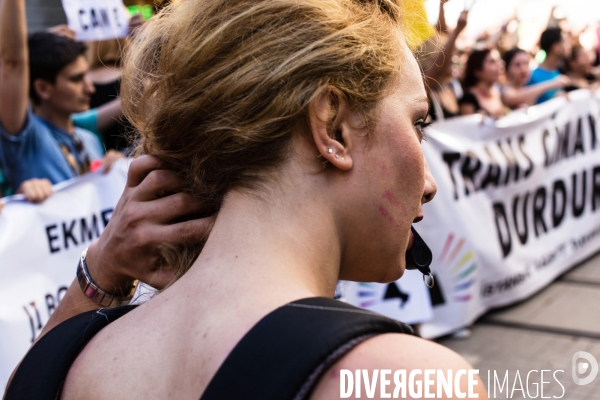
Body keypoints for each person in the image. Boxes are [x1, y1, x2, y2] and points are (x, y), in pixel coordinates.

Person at [6, 1, 488, 398]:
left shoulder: (72, 358)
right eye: (417, 123)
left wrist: (101, 273)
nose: (429, 184)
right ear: (333, 128)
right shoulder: (405, 380)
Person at [0, 0, 122, 192]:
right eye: (76, 79)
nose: (90, 88)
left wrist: (114, 172)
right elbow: (12, 63)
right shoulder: (27, 138)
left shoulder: (88, 138)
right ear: (43, 88)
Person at [501, 47, 571, 109]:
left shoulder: (527, 87)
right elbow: (513, 98)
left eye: (526, 63)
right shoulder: (505, 91)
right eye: (517, 65)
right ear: (507, 69)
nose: (523, 69)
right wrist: (553, 83)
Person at [459, 48, 507, 118]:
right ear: (477, 71)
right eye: (492, 61)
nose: (500, 65)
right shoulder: (468, 100)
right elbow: (468, 127)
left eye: (499, 60)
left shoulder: (497, 92)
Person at [527, 27, 568, 104]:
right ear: (556, 48)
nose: (568, 46)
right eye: (565, 42)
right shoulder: (531, 76)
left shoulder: (560, 71)